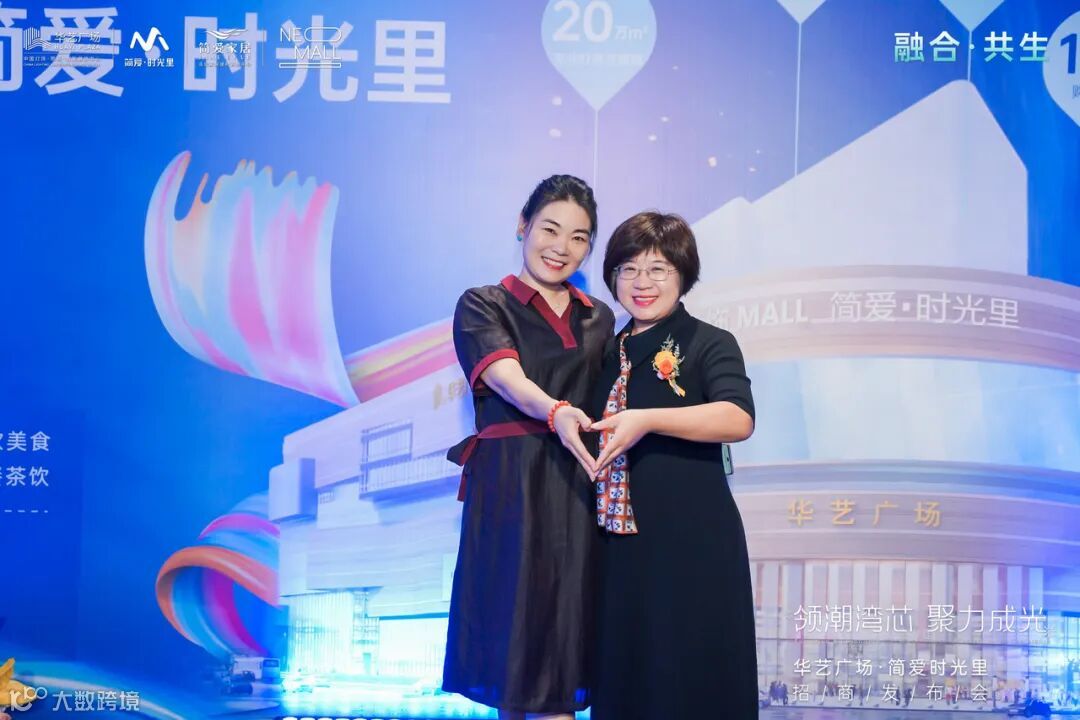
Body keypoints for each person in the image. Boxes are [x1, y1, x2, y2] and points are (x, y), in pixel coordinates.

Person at [442, 175, 615, 719]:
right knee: (512, 654)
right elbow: (505, 376)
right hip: (509, 490)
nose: (562, 247)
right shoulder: (483, 303)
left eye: (579, 237)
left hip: (576, 490)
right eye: (550, 229)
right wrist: (556, 411)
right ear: (523, 226)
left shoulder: (600, 317)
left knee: (560, 654)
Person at [587, 212, 758, 719]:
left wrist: (647, 419)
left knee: (691, 679)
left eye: (658, 269)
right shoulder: (603, 352)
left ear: (683, 275)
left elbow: (737, 417)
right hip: (618, 545)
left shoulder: (709, 341)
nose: (643, 282)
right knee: (626, 676)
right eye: (629, 269)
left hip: (693, 543)